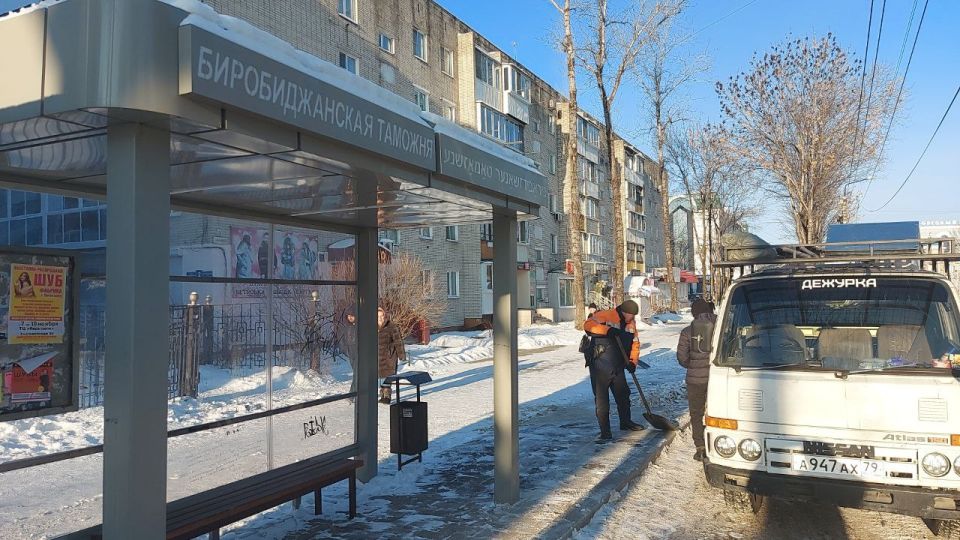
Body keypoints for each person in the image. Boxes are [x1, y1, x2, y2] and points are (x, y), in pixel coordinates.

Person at [583, 299, 646, 440]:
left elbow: (635, 344)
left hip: (618, 365)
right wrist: (607, 330)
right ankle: (605, 431)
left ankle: (625, 422)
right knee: (602, 400)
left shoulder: (631, 324)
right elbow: (587, 325)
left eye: (633, 315)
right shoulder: (605, 315)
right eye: (630, 315)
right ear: (623, 311)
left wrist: (632, 362)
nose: (632, 318)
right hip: (600, 364)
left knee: (623, 395)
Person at [677, 298, 717, 461]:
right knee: (718, 412)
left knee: (696, 412)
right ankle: (718, 445)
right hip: (718, 378)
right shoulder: (721, 326)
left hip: (695, 380)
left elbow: (682, 358)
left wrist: (692, 365)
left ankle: (700, 446)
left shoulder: (687, 331)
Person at [377, 307, 406, 404]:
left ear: (385, 316)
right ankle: (382, 394)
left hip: (389, 356)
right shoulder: (371, 327)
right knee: (380, 377)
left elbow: (398, 342)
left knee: (387, 376)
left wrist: (401, 355)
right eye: (378, 316)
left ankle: (387, 396)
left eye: (382, 316)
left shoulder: (392, 327)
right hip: (377, 357)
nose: (380, 318)